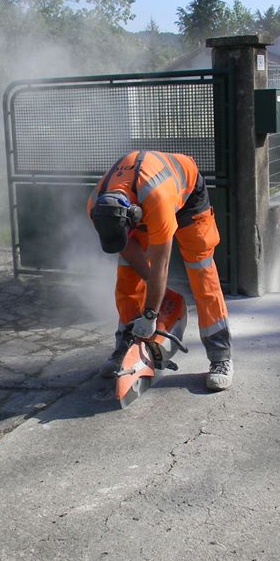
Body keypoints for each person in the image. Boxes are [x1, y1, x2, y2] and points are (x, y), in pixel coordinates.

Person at [88, 150, 233, 391]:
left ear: (132, 217)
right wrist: (155, 292)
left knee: (201, 270)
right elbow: (126, 248)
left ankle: (220, 357)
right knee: (127, 274)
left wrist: (150, 315)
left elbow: (160, 264)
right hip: (140, 202)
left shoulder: (157, 199)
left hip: (186, 197)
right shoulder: (96, 204)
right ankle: (126, 344)